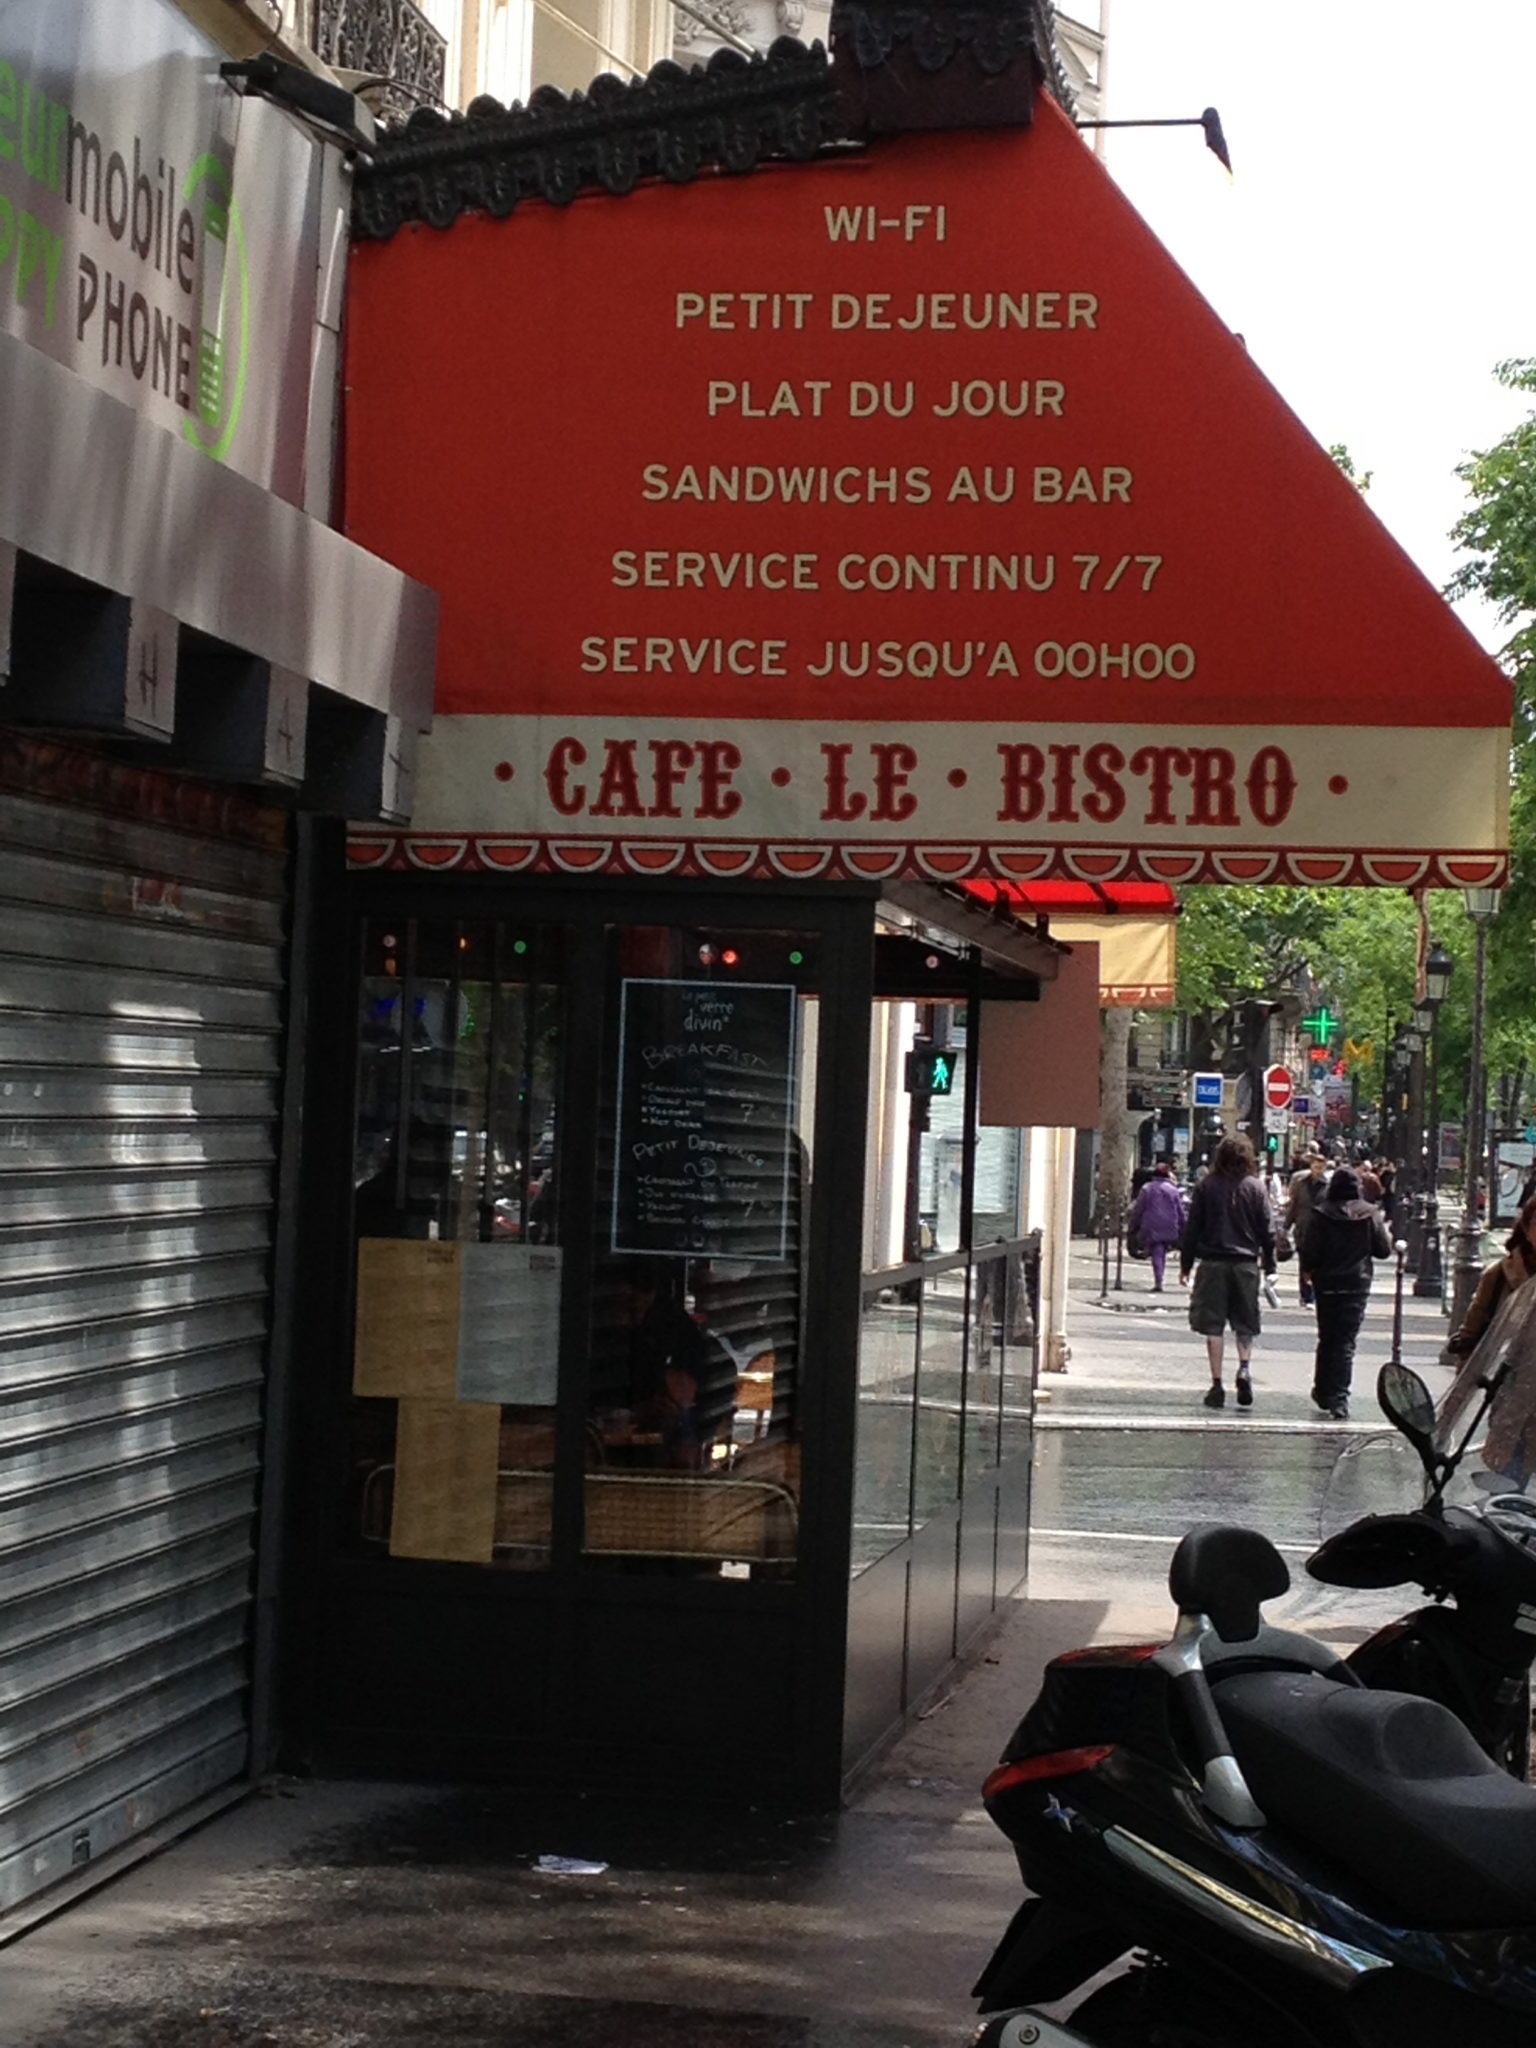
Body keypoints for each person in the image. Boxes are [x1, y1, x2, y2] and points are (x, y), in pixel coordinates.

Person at [1178, 1134, 1276, 1411]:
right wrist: (1270, 1264)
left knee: (1213, 1325)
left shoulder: (1206, 1187)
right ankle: (1244, 1367)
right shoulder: (1255, 1188)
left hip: (1213, 1263)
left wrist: (1186, 1264)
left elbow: (1192, 1229)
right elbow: (1268, 1231)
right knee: (1245, 1323)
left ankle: (1217, 1383)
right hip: (1246, 1264)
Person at [1303, 1166, 1392, 1420]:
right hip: (1356, 1284)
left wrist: (1309, 1271)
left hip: (1327, 1283)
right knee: (1345, 1341)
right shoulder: (1369, 1213)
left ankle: (1323, 1390)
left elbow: (1310, 1251)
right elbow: (1383, 1250)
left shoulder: (1320, 1213)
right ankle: (1339, 1396)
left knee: (1327, 1337)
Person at [1127, 1160, 1186, 1293]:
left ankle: (1158, 1279)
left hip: (1151, 1224)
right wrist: (1183, 1225)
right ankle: (1159, 1277)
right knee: (1161, 1251)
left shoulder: (1147, 1189)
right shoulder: (1173, 1190)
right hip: (1169, 1224)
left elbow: (1139, 1209)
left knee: (1156, 1252)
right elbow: (1180, 1210)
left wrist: (1134, 1224)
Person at [1284, 1153, 1329, 1307]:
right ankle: (1306, 1295)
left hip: (1321, 1231)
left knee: (1319, 1265)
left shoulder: (1328, 1186)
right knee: (1304, 1264)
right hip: (1302, 1229)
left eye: (1320, 1167)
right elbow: (1294, 1206)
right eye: (1315, 1167)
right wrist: (1286, 1227)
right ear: (1311, 1166)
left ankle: (1316, 1293)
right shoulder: (1301, 1184)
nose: (1318, 1170)